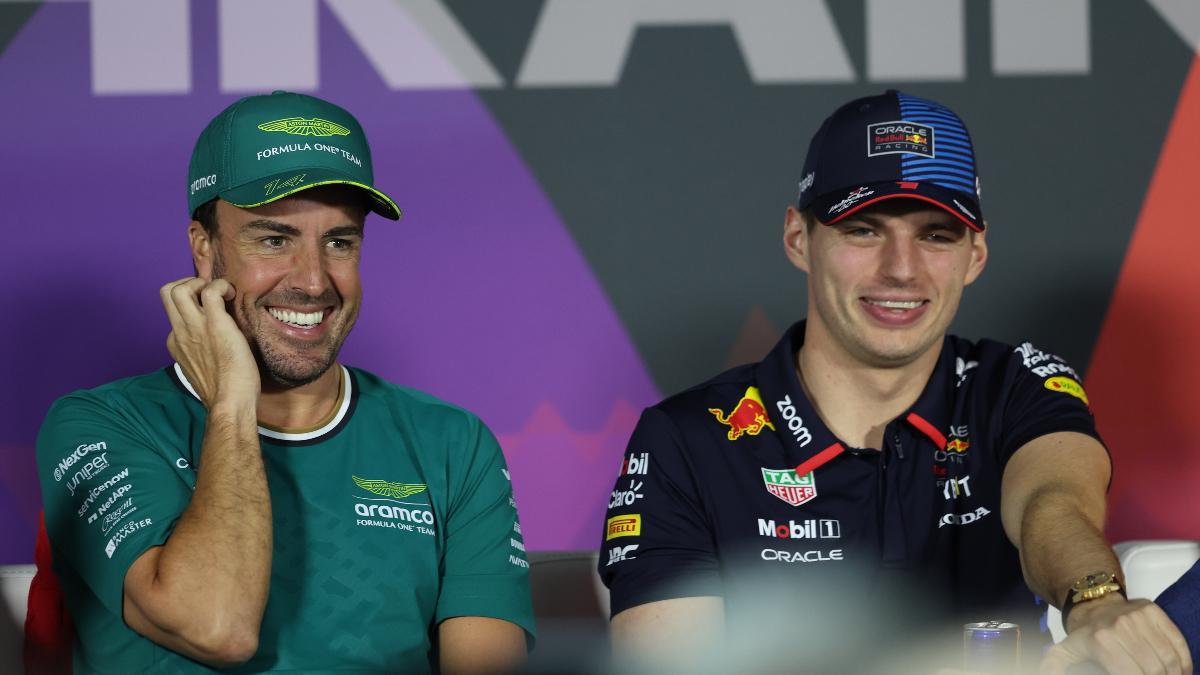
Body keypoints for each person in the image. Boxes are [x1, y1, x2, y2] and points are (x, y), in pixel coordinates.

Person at [599, 90, 1191, 674]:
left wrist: (1093, 600)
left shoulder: (1016, 387)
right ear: (799, 239)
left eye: (936, 234)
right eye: (864, 229)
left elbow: (1052, 501)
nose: (901, 269)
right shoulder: (687, 440)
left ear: (976, 255)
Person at [35, 91, 534, 674]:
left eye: (339, 242)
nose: (315, 280)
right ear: (204, 249)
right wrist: (232, 404)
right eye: (274, 240)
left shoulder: (452, 443)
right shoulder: (101, 423)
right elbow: (216, 628)